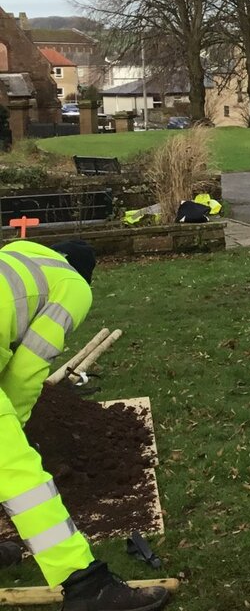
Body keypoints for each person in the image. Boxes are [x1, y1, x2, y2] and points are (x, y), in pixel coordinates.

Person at [0, 239, 170, 611]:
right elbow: (28, 369)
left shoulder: (19, 254)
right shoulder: (73, 285)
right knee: (20, 476)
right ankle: (87, 587)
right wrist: (16, 423)